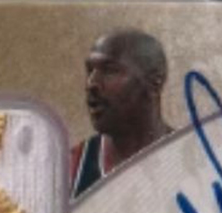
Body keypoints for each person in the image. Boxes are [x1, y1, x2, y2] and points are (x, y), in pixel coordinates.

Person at [71, 29, 172, 199]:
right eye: (90, 70)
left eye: (110, 71)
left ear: (154, 83)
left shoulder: (196, 160)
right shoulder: (71, 169)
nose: (91, 83)